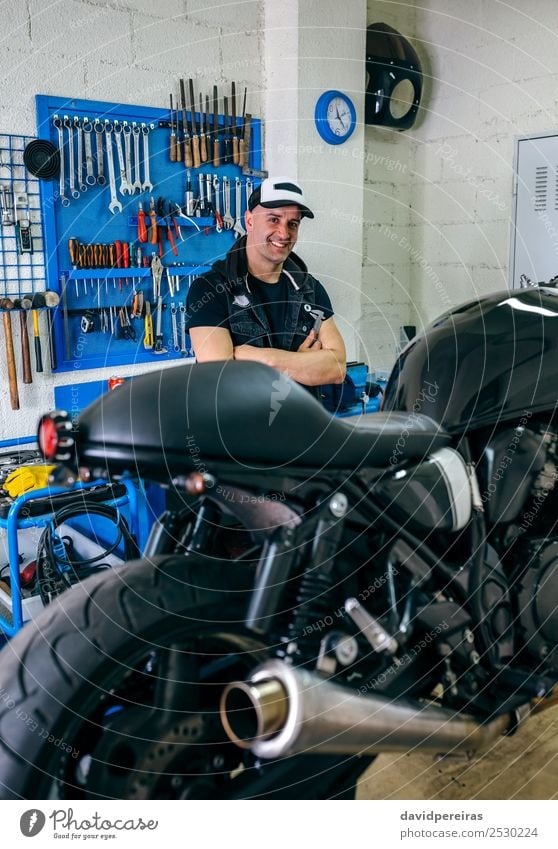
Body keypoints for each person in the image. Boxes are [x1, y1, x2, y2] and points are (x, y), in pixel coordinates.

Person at [185, 177, 346, 397]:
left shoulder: (310, 290)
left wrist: (264, 358)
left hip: (305, 427)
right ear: (249, 221)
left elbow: (337, 369)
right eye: (273, 219)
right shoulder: (210, 289)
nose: (284, 233)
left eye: (293, 224)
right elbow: (221, 381)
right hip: (239, 430)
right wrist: (302, 366)